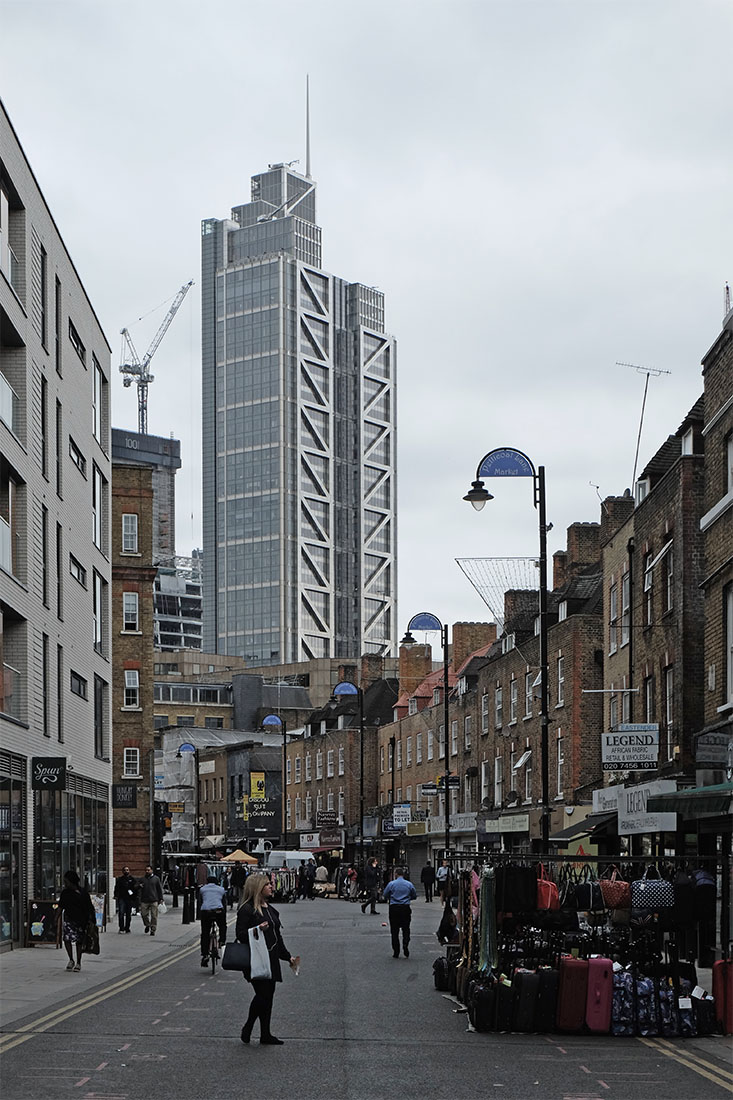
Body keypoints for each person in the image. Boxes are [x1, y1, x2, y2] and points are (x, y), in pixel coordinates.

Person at [236, 874, 296, 1045]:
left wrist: (287, 956)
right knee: (262, 995)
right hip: (255, 959)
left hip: (271, 958)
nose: (271, 886)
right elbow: (240, 935)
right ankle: (248, 1026)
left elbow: (277, 936)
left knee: (268, 997)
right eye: (267, 884)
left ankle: (265, 1034)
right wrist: (257, 929)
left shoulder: (270, 909)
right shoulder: (247, 909)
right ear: (257, 888)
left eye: (270, 884)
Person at [59, 870, 95, 971]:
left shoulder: (83, 893)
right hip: (69, 919)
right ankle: (71, 959)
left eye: (66, 882)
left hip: (81, 920)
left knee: (79, 941)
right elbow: (60, 906)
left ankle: (78, 962)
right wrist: (55, 919)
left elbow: (89, 907)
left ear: (72, 881)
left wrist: (92, 919)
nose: (65, 884)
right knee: (67, 939)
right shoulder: (65, 893)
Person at [383, 867, 417, 958]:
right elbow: (414, 895)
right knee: (406, 928)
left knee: (394, 930)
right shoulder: (409, 884)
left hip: (394, 907)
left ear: (396, 874)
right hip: (405, 907)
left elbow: (385, 894)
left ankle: (396, 950)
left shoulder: (391, 884)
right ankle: (405, 944)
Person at [199, 875, 227, 966]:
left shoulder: (202, 889)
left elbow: (201, 901)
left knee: (205, 933)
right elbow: (224, 903)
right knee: (223, 926)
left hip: (206, 912)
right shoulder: (221, 889)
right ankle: (222, 941)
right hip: (218, 911)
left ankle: (205, 954)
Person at [139, 865, 164, 935]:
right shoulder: (142, 879)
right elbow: (136, 886)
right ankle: (147, 925)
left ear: (152, 870)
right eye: (146, 870)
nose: (147, 871)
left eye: (148, 870)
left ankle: (153, 929)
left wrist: (161, 898)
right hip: (144, 900)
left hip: (154, 900)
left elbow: (159, 889)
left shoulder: (156, 879)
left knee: (154, 916)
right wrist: (139, 886)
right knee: (143, 914)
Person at [113, 865, 137, 933]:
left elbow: (135, 889)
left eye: (127, 870)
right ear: (122, 871)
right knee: (121, 913)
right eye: (125, 870)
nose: (126, 871)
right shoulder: (120, 879)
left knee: (128, 914)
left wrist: (134, 897)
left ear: (129, 871)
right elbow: (116, 888)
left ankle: (127, 928)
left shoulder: (132, 879)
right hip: (122, 898)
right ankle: (121, 928)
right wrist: (116, 895)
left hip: (129, 898)